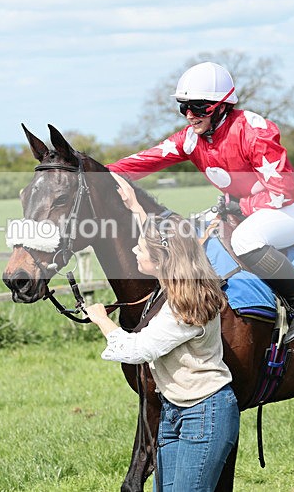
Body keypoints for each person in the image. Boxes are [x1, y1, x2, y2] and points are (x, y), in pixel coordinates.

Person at [108, 61, 294, 342]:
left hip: (285, 209)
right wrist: (95, 173)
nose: (189, 115)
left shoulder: (253, 131)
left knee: (246, 240)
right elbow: (145, 160)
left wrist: (242, 206)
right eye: (184, 107)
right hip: (241, 209)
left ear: (222, 105)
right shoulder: (190, 139)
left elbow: (285, 189)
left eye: (198, 107)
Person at [84, 172, 239, 491]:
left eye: (141, 249)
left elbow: (137, 350)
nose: (135, 251)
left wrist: (102, 320)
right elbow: (168, 243)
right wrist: (135, 207)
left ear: (161, 260)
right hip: (175, 410)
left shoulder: (182, 307)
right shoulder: (186, 278)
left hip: (204, 414)